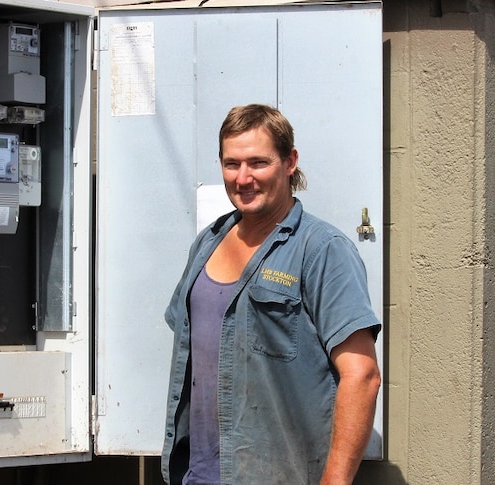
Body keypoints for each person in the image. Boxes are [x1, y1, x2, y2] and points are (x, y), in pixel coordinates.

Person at [162, 104, 382, 485]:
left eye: (258, 163)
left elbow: (362, 376)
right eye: (232, 164)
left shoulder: (322, 250)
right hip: (198, 475)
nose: (243, 178)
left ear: (289, 161)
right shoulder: (207, 244)